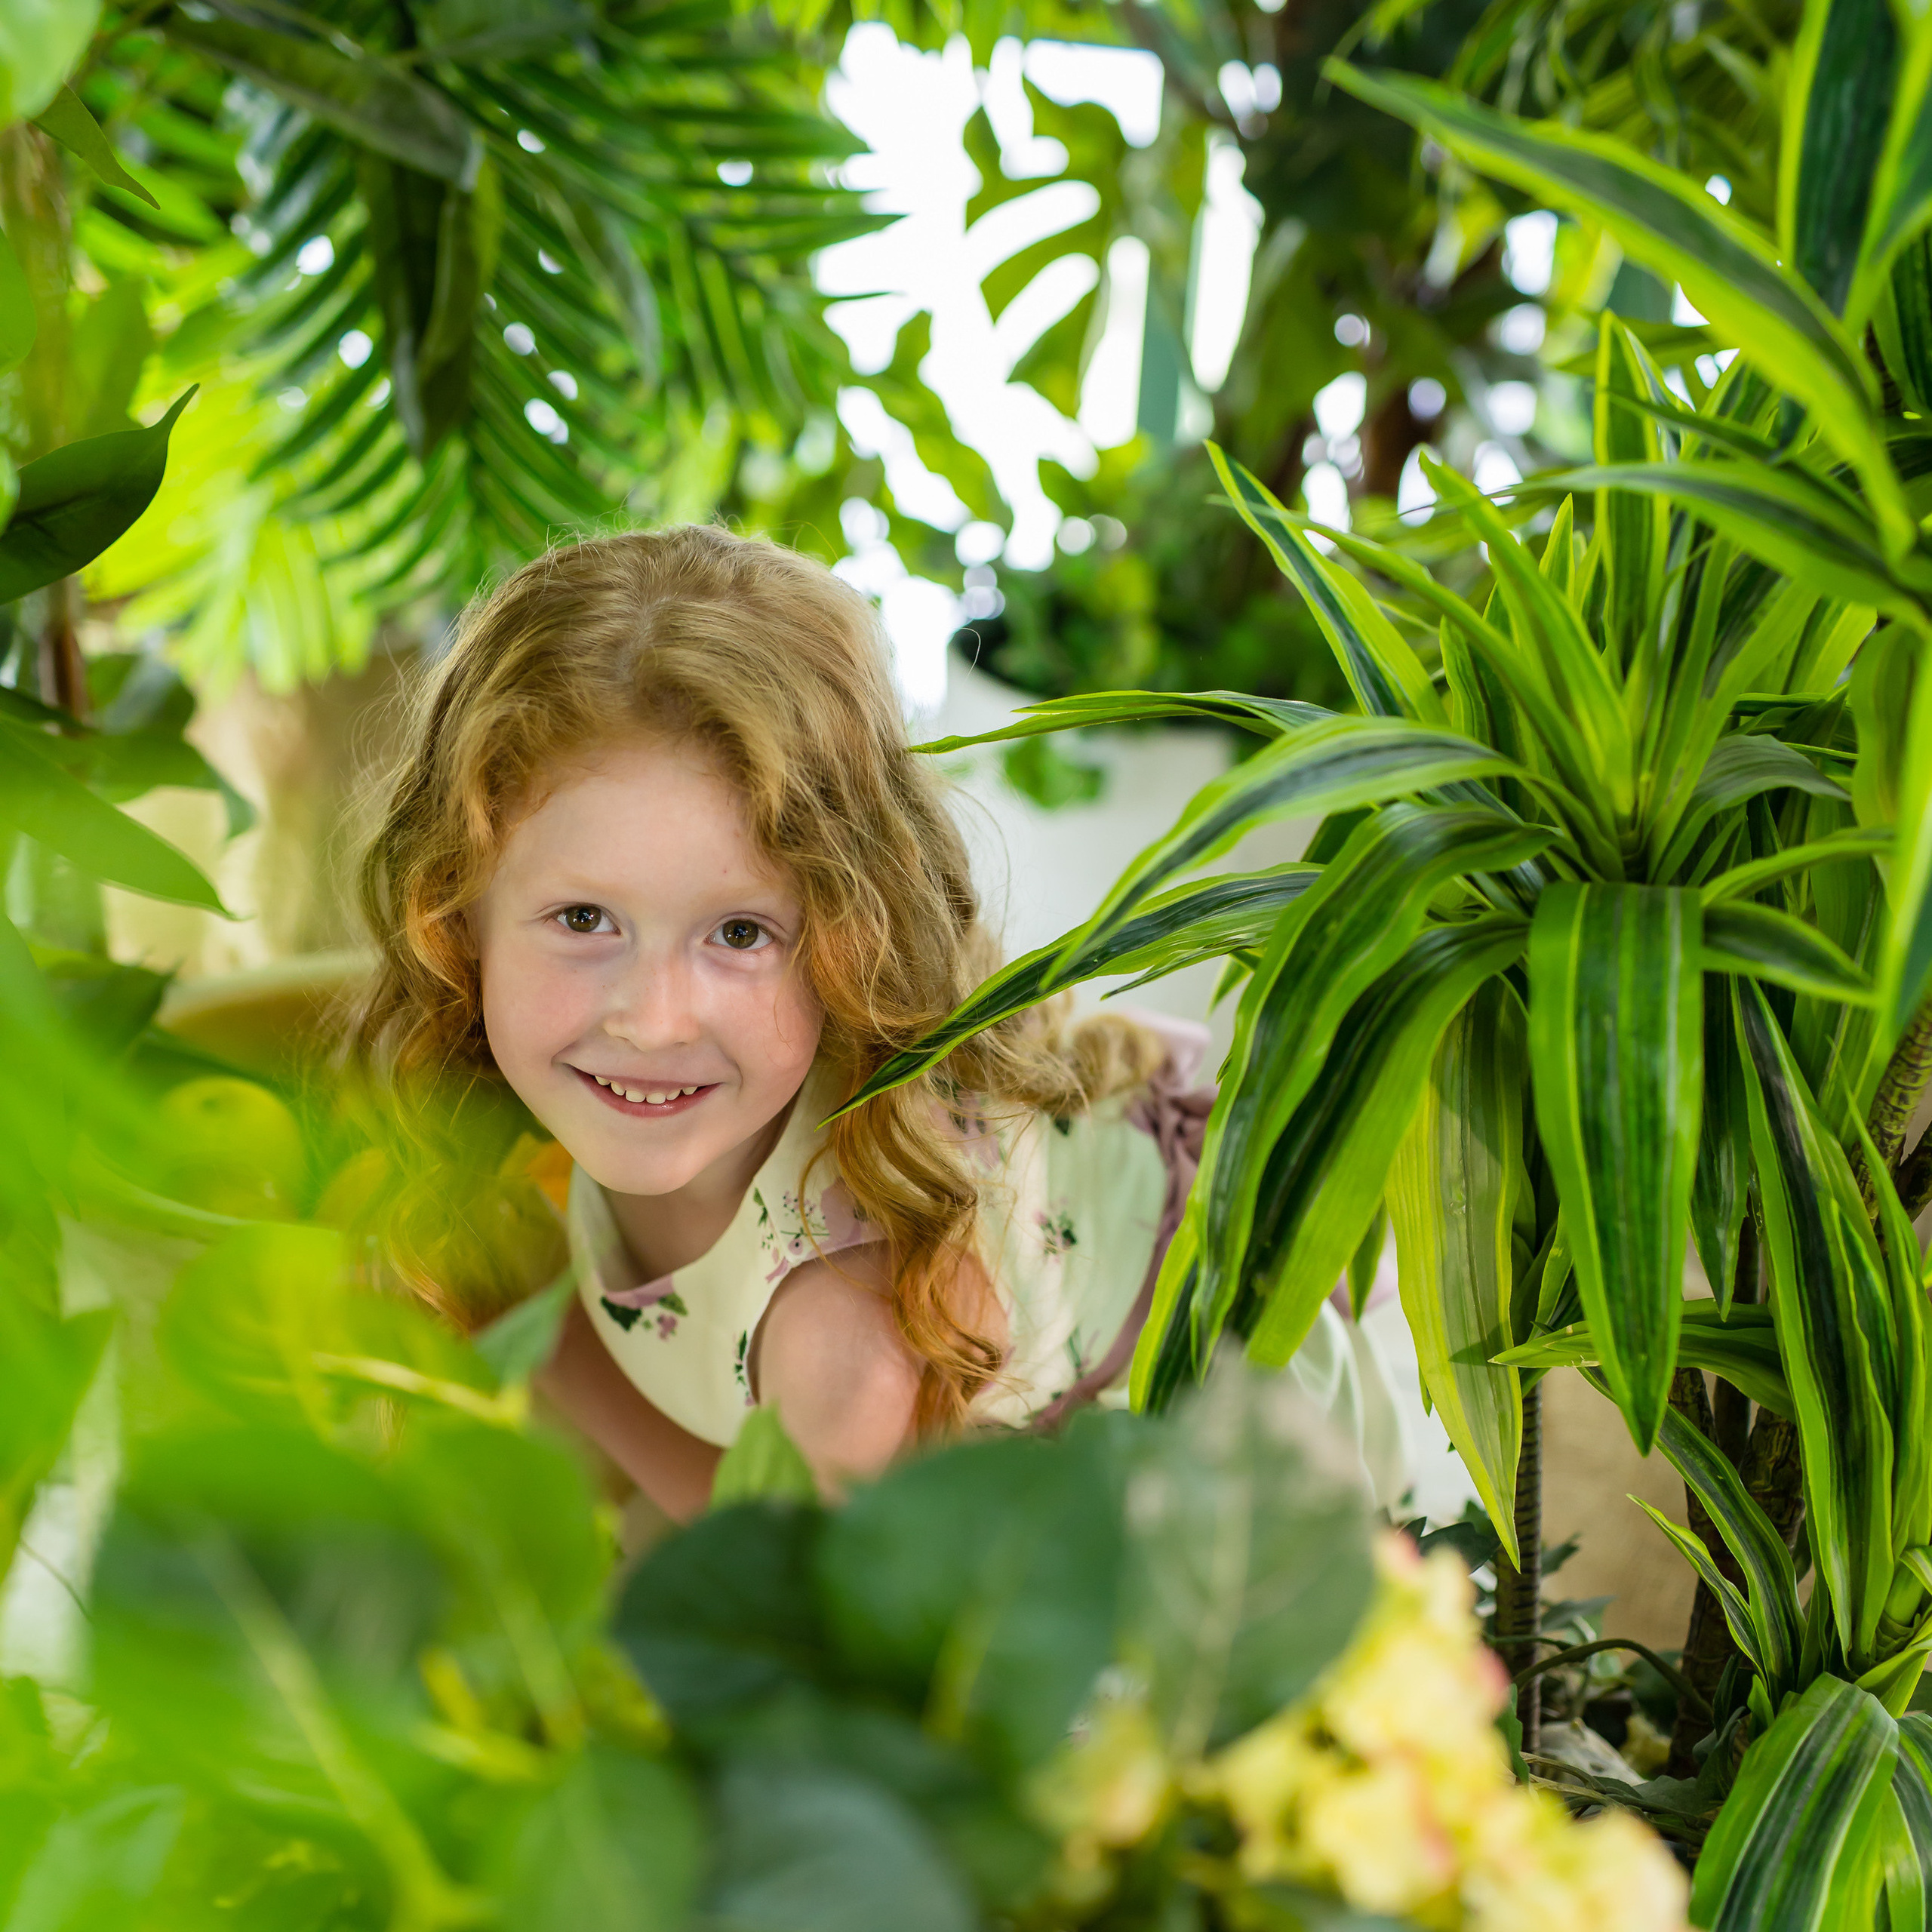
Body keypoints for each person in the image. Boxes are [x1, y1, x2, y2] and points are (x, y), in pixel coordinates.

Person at [353, 525, 1401, 1523]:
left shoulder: (843, 1317)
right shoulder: (574, 1106)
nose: (654, 1020)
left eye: (740, 933)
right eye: (585, 920)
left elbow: (783, 1590)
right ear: (454, 914)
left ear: (851, 938)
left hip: (1207, 1439)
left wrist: (555, 1340)